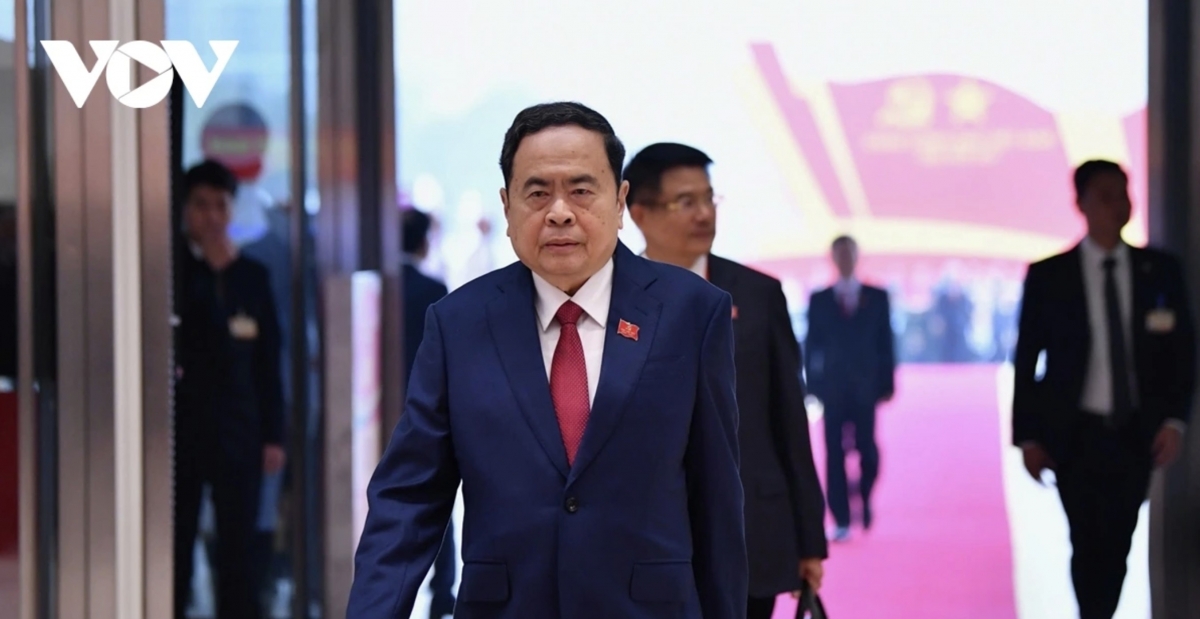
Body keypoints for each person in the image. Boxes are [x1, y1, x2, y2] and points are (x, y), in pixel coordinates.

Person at [347, 101, 747, 618]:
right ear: (507, 206)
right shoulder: (459, 324)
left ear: (620, 201)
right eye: (537, 193)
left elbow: (716, 500)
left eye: (581, 190)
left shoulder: (691, 313)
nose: (559, 212)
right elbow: (409, 498)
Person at [624, 142, 827, 619]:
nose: (703, 214)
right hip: (644, 534)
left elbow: (788, 419)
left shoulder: (758, 295)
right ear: (639, 213)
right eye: (685, 201)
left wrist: (809, 540)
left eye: (708, 198)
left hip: (751, 527)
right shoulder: (613, 297)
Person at [1013, 159, 1195, 619]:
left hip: (1134, 432)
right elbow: (1027, 359)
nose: (1119, 205)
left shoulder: (1160, 271)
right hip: (1074, 434)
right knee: (1085, 539)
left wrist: (1174, 420)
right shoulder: (1051, 276)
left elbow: (1182, 354)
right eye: (1106, 196)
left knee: (1118, 540)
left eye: (1123, 194)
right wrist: (1028, 437)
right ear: (1082, 204)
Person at [174, 160, 287, 619]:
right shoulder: (174, 271)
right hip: (181, 430)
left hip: (240, 430)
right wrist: (207, 271)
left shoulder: (251, 276)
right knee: (178, 539)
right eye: (201, 205)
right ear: (185, 209)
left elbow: (268, 361)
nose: (212, 216)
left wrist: (274, 435)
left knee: (237, 547)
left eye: (220, 205)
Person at [804, 235, 896, 543]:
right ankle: (841, 517)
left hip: (866, 389)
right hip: (832, 390)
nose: (845, 259)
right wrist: (811, 386)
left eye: (849, 253)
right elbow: (811, 346)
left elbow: (886, 342)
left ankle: (864, 495)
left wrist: (887, 383)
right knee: (834, 453)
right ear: (833, 258)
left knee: (867, 449)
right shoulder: (819, 299)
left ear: (857, 256)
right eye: (840, 254)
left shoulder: (877, 297)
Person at [399, 206, 456, 619]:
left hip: (382, 406)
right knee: (440, 498)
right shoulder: (434, 290)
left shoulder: (384, 285)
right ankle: (442, 590)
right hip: (428, 405)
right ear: (423, 243)